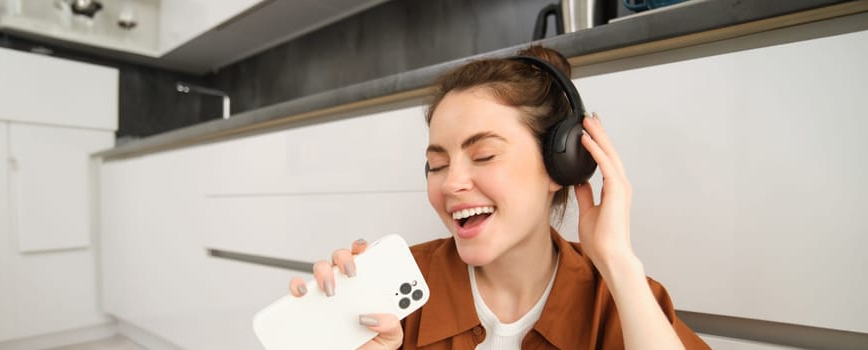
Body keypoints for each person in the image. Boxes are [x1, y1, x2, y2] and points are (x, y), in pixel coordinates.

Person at [288, 45, 710, 349]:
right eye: (437, 165)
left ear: (561, 164)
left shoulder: (623, 300)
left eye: (484, 155)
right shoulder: (389, 293)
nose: (451, 183)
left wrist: (617, 261)